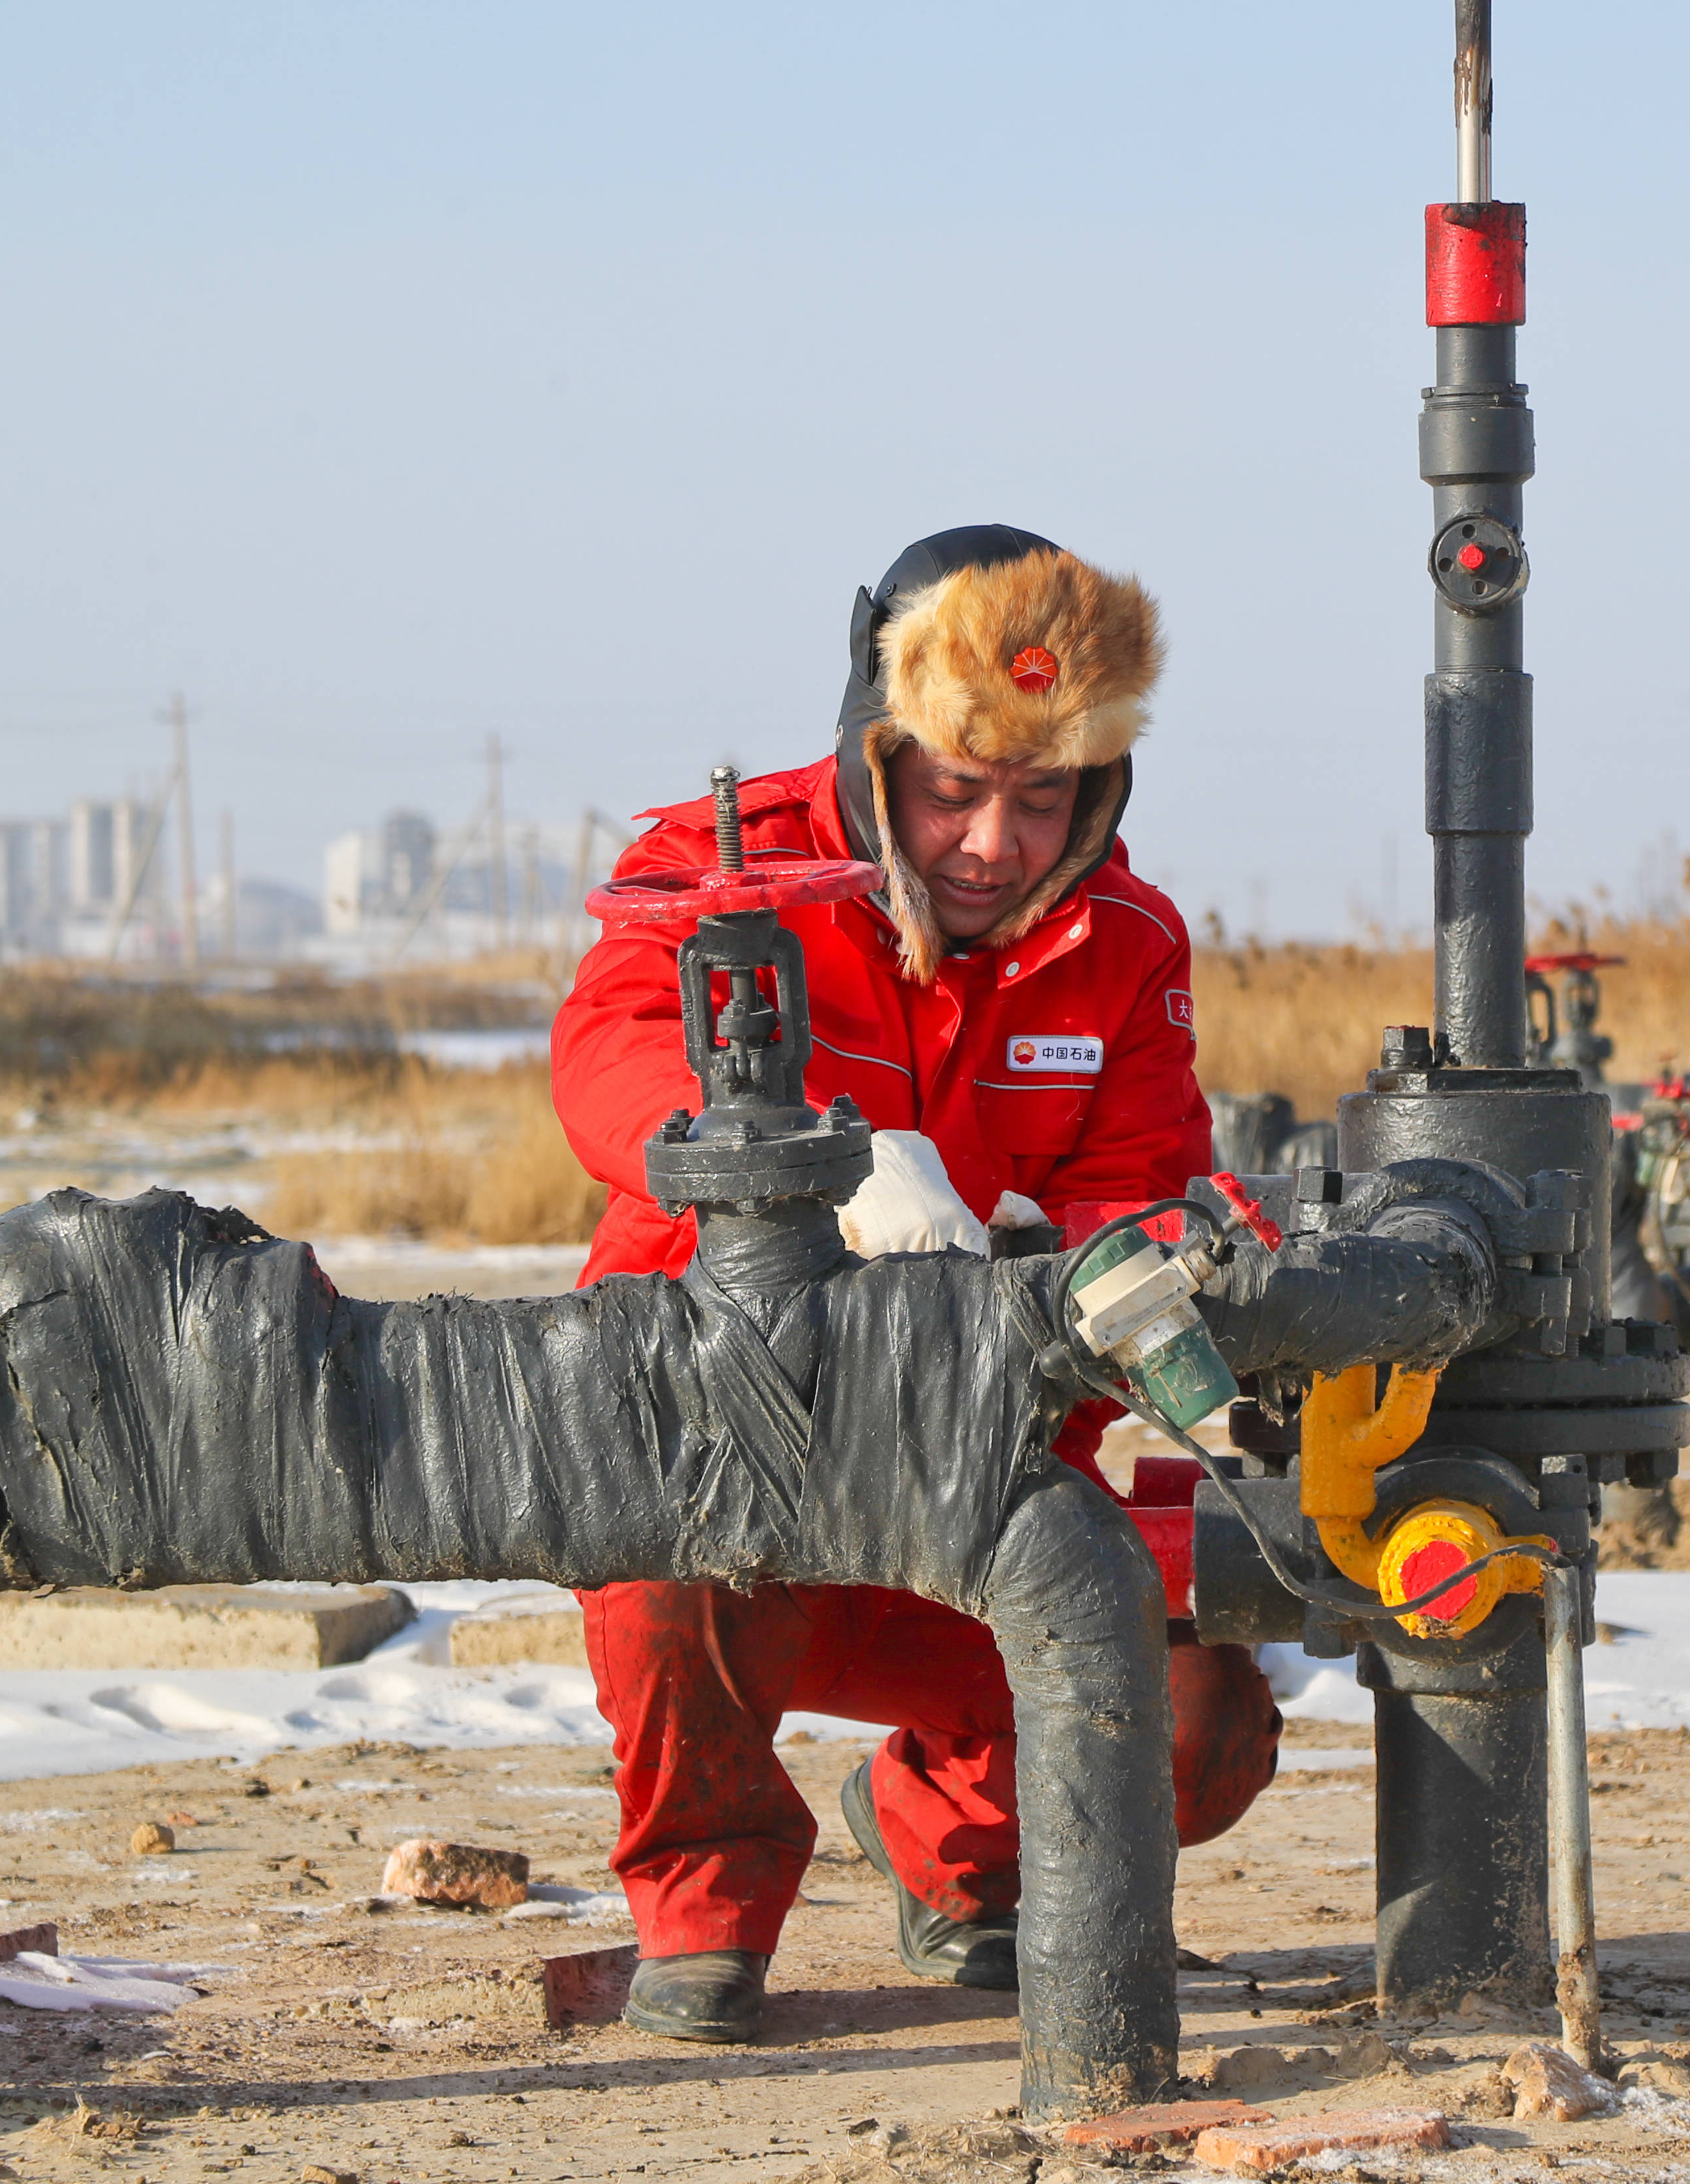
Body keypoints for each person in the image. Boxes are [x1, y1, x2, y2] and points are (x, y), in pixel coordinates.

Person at [551, 524, 1281, 2046]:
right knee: (660, 1588)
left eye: (1042, 797)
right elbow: (609, 1060)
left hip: (972, 1480)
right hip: (720, 1454)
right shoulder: (719, 869)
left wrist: (1109, 1269)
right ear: (876, 742)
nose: (991, 843)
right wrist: (802, 1158)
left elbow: (1143, 1175)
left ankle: (957, 1849)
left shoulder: (1127, 941)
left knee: (1196, 1717)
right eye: (955, 788)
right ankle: (704, 1913)